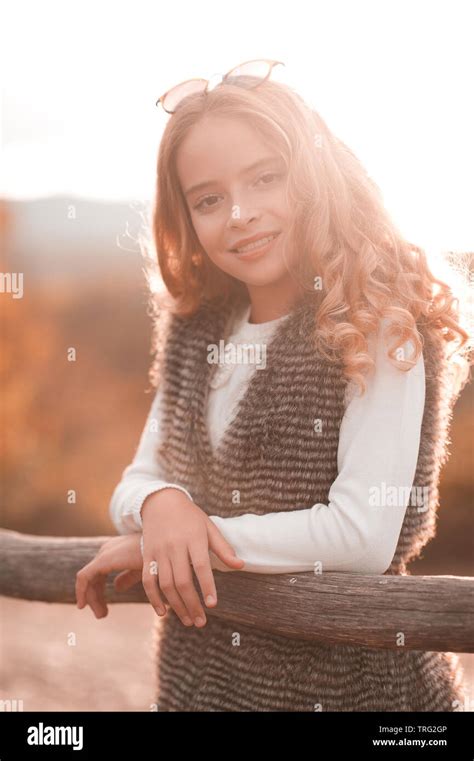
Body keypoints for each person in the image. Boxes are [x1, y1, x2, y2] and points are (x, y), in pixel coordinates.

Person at [76, 59, 471, 711]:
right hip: (202, 681)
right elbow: (137, 479)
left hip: (351, 688)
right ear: (187, 219)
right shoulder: (197, 330)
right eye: (208, 199)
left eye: (266, 179)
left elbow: (360, 536)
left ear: (315, 174)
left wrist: (175, 539)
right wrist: (161, 507)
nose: (240, 213)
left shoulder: (378, 322)